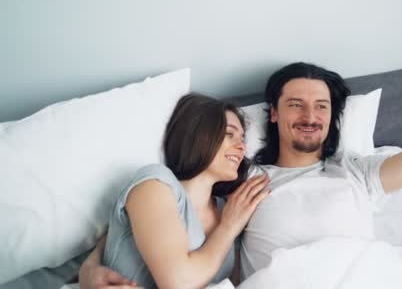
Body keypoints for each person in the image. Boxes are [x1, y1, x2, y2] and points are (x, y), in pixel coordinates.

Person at [81, 62, 402, 286]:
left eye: (321, 106)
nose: (309, 115)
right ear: (274, 114)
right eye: (295, 104)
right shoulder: (240, 184)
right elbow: (159, 216)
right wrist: (90, 265)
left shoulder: (359, 172)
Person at [79, 94, 270, 288]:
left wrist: (88, 265)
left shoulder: (229, 209)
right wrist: (228, 227)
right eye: (229, 134)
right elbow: (178, 283)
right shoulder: (155, 183)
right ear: (198, 136)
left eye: (242, 138)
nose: (242, 146)